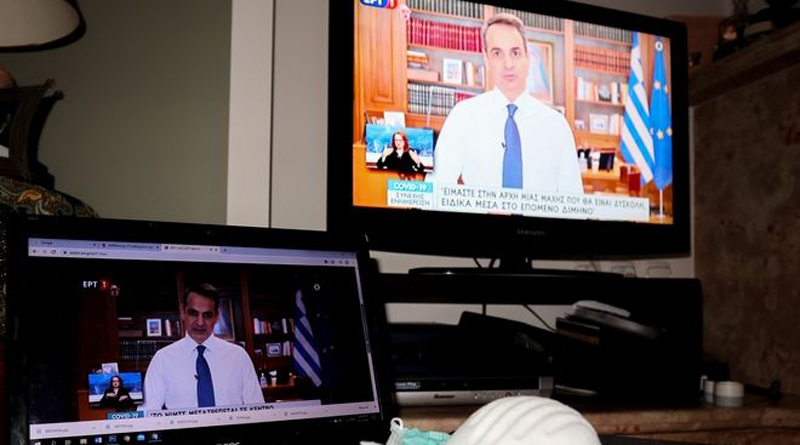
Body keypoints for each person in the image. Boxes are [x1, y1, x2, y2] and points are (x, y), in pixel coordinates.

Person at [425, 13, 583, 194]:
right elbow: (434, 190)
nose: (508, 64)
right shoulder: (463, 116)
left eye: (515, 53)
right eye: (497, 53)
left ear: (527, 57)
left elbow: (573, 201)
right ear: (487, 60)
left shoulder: (557, 126)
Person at [140, 283, 264, 411]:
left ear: (217, 316)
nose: (200, 323)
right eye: (193, 313)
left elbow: (258, 410)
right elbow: (148, 413)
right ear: (182, 312)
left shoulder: (238, 356)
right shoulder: (162, 359)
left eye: (207, 315)